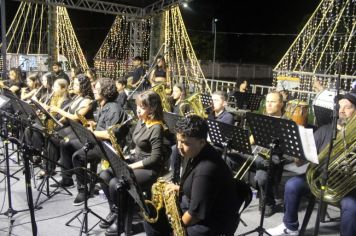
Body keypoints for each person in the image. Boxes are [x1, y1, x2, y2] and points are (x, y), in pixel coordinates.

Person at [267, 91, 356, 236]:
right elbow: (299, 163)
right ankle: (290, 226)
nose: (341, 111)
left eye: (348, 107)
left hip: (345, 185)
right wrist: (298, 152)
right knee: (292, 185)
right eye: (339, 107)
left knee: (352, 206)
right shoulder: (324, 130)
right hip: (318, 178)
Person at [145, 115, 239, 236]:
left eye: (184, 143)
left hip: (209, 223)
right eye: (178, 140)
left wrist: (176, 230)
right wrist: (180, 189)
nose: (179, 146)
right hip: (196, 207)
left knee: (160, 227)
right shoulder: (196, 152)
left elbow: (195, 215)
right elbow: (199, 189)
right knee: (151, 218)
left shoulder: (206, 169)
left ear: (201, 142)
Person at [99, 90, 170, 235]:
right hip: (135, 161)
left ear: (152, 108)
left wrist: (130, 166)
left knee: (116, 183)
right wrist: (128, 155)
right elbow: (137, 145)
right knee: (105, 175)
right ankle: (117, 209)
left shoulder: (156, 127)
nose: (138, 109)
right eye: (138, 106)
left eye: (142, 107)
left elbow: (154, 158)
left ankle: (124, 218)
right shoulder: (141, 121)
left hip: (149, 168)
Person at [52, 78, 128, 206]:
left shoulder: (114, 108)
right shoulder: (103, 105)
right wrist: (92, 125)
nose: (94, 91)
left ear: (106, 91)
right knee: (67, 143)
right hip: (97, 141)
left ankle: (83, 191)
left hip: (107, 147)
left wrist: (92, 133)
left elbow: (110, 134)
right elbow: (102, 127)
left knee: (78, 156)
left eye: (97, 89)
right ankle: (70, 178)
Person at [253, 91, 285, 217]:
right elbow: (253, 139)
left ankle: (268, 202)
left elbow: (285, 150)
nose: (269, 104)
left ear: (281, 104)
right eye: (267, 101)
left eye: (273, 101)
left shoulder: (285, 122)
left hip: (275, 156)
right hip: (259, 153)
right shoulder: (262, 118)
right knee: (230, 157)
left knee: (261, 175)